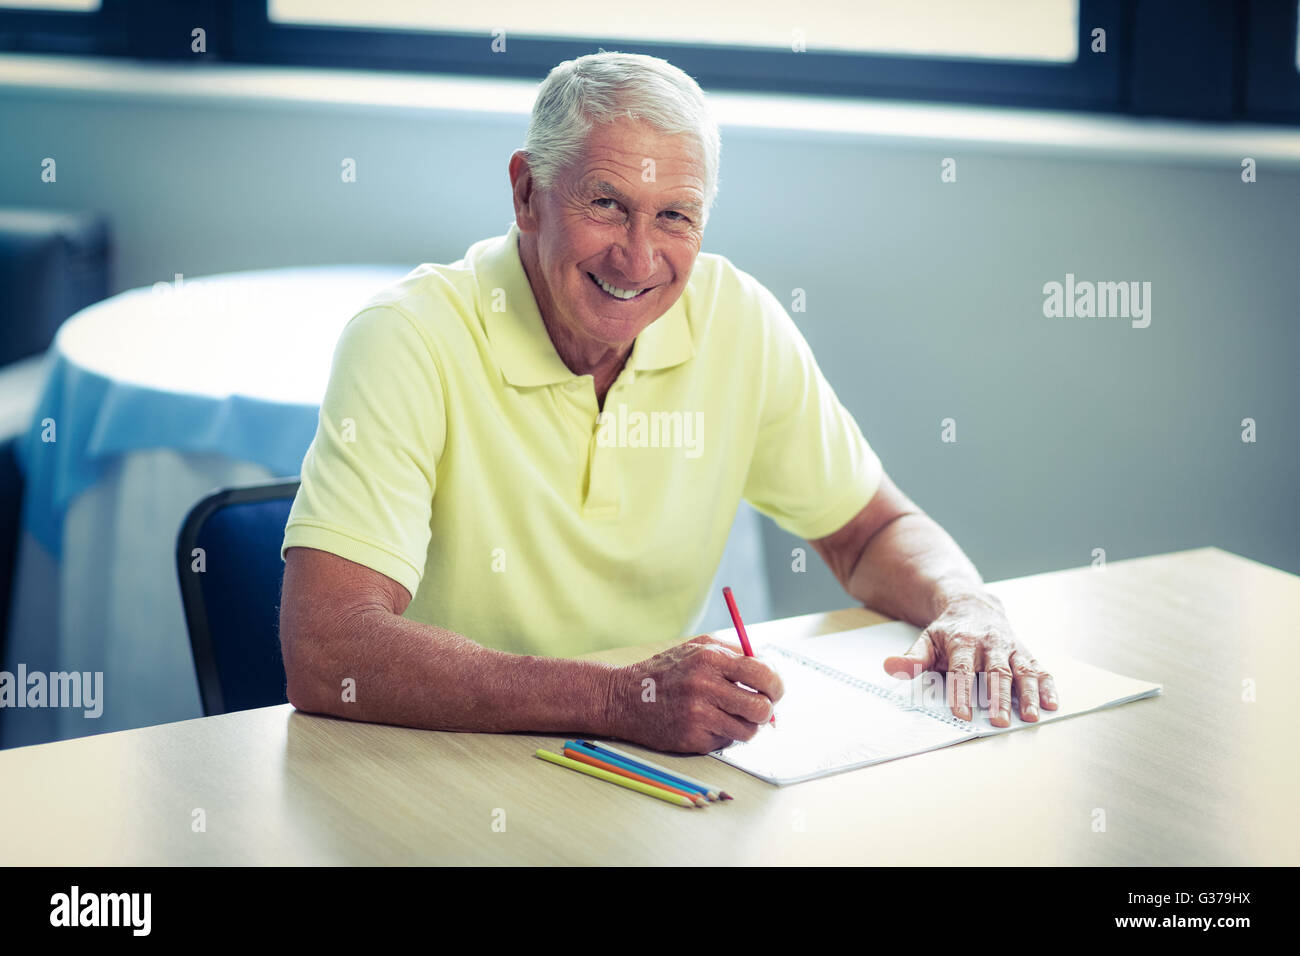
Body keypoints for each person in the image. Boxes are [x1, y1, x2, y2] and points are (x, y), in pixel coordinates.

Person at [279, 51, 1058, 754]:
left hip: (639, 769)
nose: (639, 256)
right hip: (434, 766)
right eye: (606, 204)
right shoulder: (406, 336)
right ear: (526, 193)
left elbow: (870, 533)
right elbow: (328, 649)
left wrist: (968, 603)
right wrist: (619, 697)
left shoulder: (738, 319)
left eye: (675, 216)